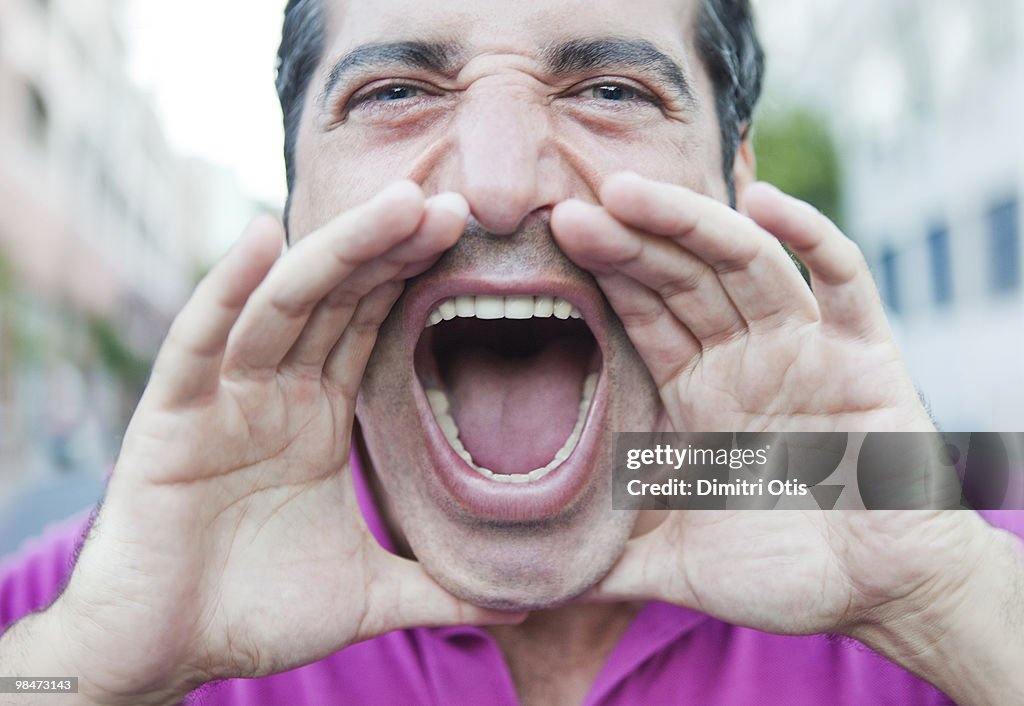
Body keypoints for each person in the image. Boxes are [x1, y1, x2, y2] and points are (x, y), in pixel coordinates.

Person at [2, 0, 1023, 703]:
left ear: (735, 179)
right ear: (293, 204)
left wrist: (945, 601)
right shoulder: (94, 591)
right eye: (393, 91)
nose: (496, 185)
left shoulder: (937, 519)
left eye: (613, 91)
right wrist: (92, 668)